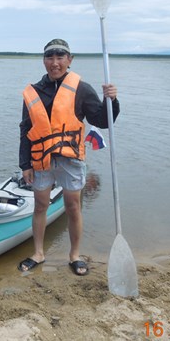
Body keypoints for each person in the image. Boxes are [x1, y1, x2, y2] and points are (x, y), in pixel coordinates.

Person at [18, 39, 119, 276]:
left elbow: (103, 121)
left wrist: (111, 101)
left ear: (69, 60)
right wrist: (24, 164)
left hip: (70, 159)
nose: (55, 63)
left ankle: (74, 255)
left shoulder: (81, 89)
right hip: (41, 159)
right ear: (44, 61)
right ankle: (39, 253)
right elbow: (25, 129)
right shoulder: (33, 91)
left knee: (73, 206)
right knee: (41, 205)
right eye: (50, 58)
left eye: (60, 57)